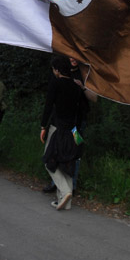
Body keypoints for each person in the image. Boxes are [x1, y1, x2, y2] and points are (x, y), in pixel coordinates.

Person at [40, 55, 95, 211]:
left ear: (57, 70)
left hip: (57, 128)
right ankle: (65, 201)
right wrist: (77, 134)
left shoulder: (55, 84)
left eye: (54, 70)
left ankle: (65, 191)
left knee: (48, 159)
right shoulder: (76, 85)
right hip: (74, 129)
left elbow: (48, 106)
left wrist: (43, 126)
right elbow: (80, 109)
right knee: (68, 160)